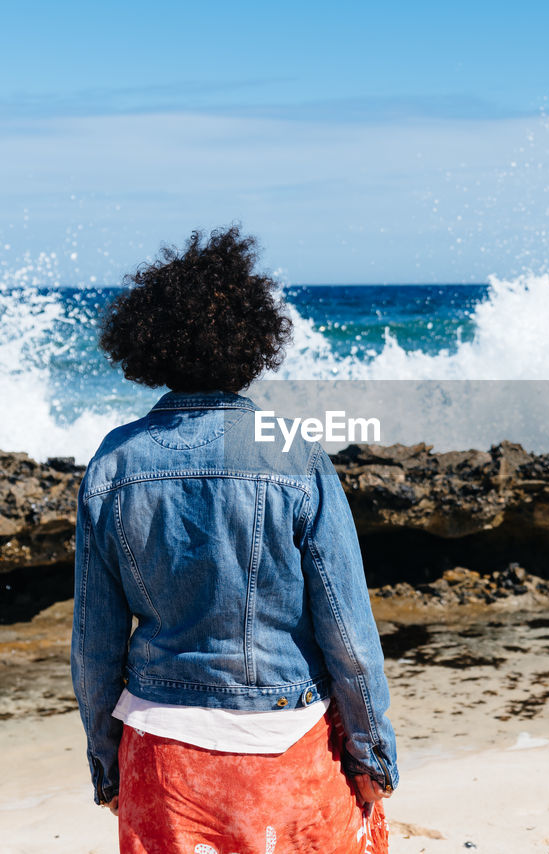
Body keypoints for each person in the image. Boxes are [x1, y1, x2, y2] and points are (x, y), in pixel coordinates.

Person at [70, 226, 397, 854]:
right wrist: (370, 754)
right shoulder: (293, 453)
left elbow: (95, 644)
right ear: (253, 343)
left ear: (149, 344)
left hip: (162, 750)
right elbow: (349, 636)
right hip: (288, 741)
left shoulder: (114, 462)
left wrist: (107, 766)